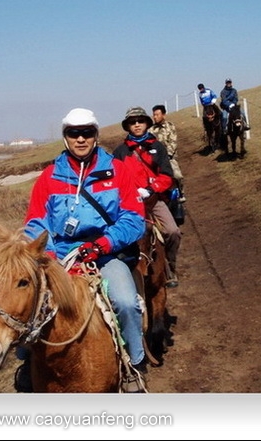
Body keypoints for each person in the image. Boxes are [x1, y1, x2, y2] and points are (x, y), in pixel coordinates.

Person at [19, 107, 148, 393]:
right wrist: (50, 257)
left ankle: (134, 366)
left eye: (86, 133)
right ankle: (27, 364)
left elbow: (134, 219)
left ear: (95, 135)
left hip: (105, 254)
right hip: (58, 257)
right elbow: (35, 223)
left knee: (126, 302)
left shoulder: (117, 170)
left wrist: (103, 244)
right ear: (65, 137)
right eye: (73, 133)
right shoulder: (50, 177)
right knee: (27, 306)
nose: (80, 139)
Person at [113, 106, 183, 289]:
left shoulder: (157, 147)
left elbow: (167, 174)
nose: (136, 125)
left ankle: (170, 265)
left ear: (146, 124)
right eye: (132, 122)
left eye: (140, 121)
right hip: (129, 203)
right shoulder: (120, 152)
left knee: (173, 231)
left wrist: (151, 190)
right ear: (127, 126)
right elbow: (114, 178)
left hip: (153, 200)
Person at [150, 104, 186, 203]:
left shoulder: (170, 126)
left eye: (157, 114)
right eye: (154, 115)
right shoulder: (151, 130)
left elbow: (173, 142)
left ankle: (181, 192)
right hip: (156, 159)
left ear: (164, 115)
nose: (155, 117)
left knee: (177, 176)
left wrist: (168, 154)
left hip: (169, 158)